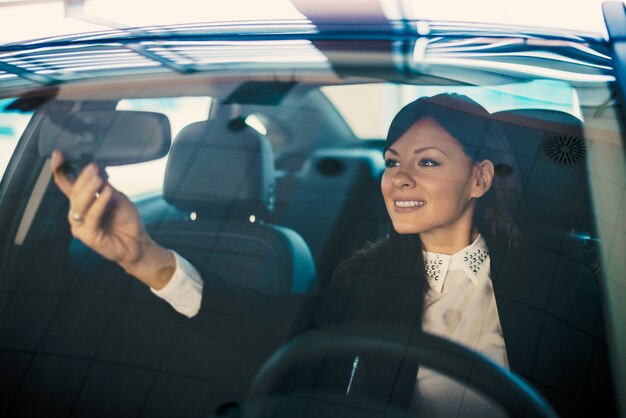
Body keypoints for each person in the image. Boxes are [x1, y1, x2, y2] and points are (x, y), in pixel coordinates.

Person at [51, 93, 613, 417]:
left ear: (481, 178)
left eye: (428, 162)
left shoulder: (562, 282)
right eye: (392, 162)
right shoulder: (367, 278)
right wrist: (147, 258)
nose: (399, 179)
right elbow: (271, 324)